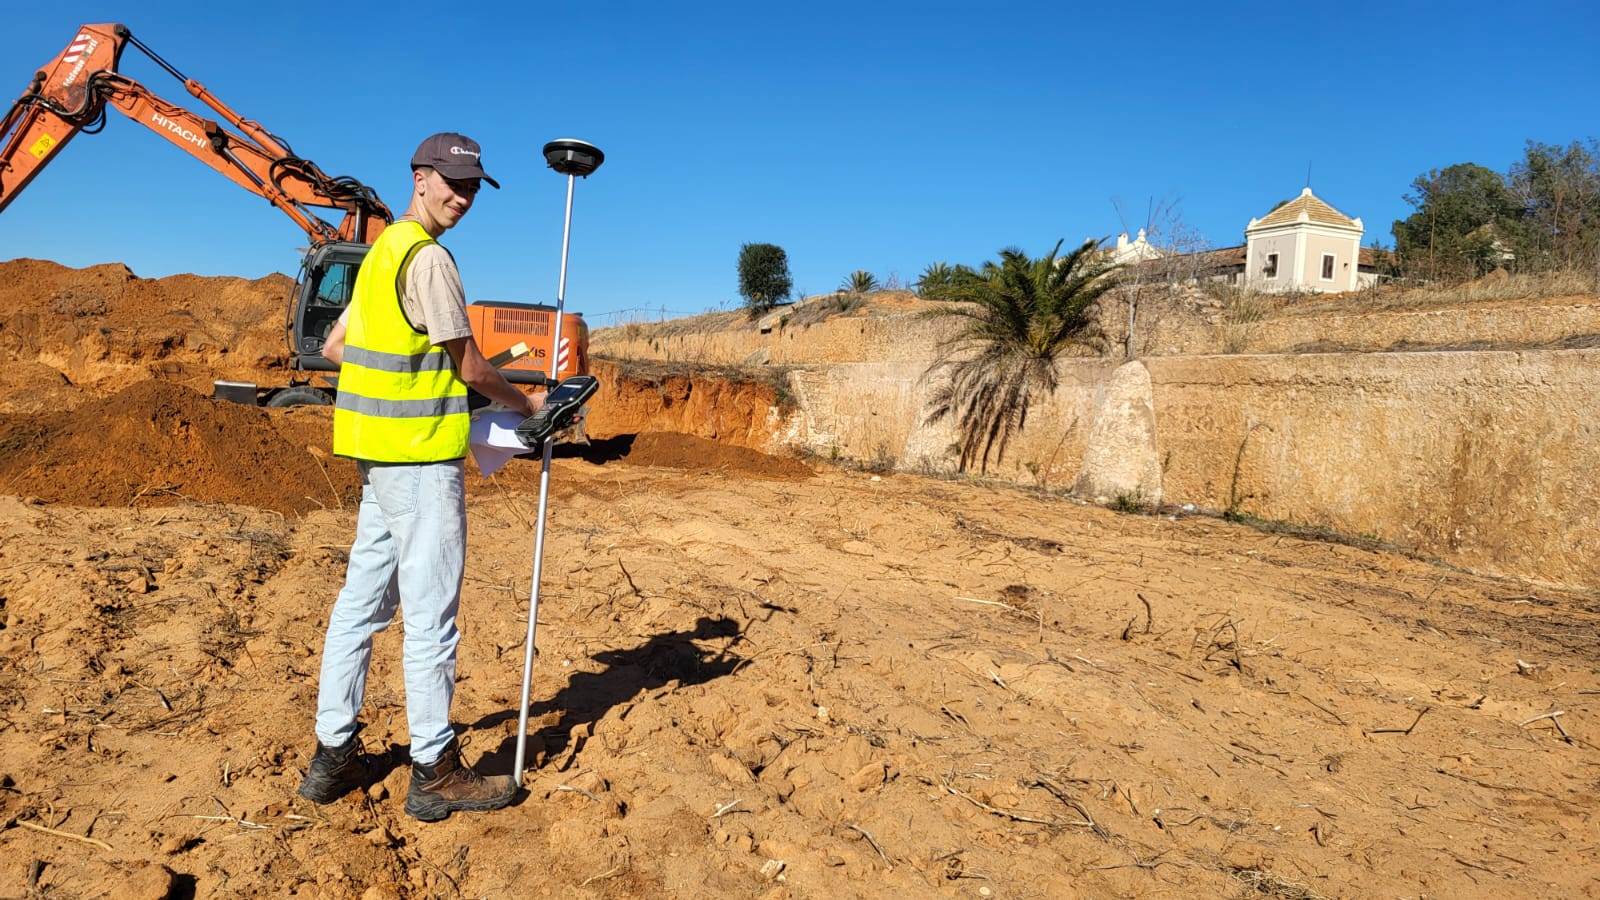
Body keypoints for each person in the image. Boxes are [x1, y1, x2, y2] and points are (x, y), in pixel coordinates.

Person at [296, 132, 542, 822]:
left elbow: (336, 345)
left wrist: (401, 378)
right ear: (420, 177)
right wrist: (526, 404)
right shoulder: (429, 259)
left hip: (379, 463)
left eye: (471, 188)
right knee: (430, 620)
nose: (462, 198)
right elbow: (467, 366)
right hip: (423, 463)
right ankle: (433, 770)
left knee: (358, 610)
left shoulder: (380, 256)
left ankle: (331, 756)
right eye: (453, 183)